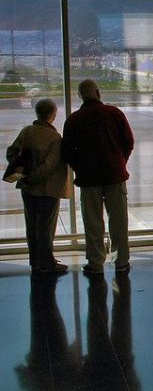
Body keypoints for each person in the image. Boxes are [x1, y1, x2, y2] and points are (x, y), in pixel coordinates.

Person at [62, 79, 134, 276]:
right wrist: (120, 162)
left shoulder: (74, 119)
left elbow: (67, 151)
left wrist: (80, 168)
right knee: (118, 220)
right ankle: (121, 261)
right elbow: (128, 142)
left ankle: (95, 262)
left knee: (93, 222)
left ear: (80, 96)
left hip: (88, 178)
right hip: (115, 174)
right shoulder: (114, 113)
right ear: (98, 92)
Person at [6, 99, 72, 274]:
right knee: (46, 227)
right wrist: (35, 177)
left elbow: (11, 152)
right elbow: (50, 165)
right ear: (53, 115)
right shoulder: (55, 137)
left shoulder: (27, 132)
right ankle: (47, 262)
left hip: (27, 189)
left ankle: (35, 261)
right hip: (48, 189)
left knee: (32, 225)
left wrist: (23, 175)